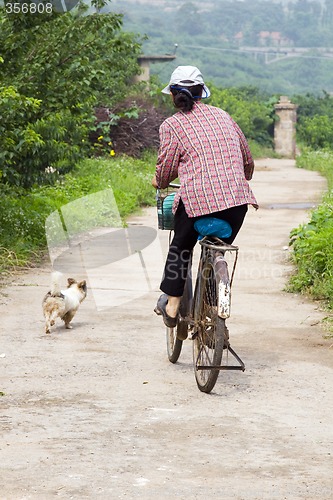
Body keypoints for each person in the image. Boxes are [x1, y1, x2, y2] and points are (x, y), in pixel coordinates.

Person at [152, 65, 258, 328]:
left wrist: (159, 181)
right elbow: (247, 161)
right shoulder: (224, 116)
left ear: (173, 95)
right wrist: (237, 177)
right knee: (217, 248)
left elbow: (165, 171)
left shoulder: (172, 125)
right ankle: (211, 307)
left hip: (197, 202)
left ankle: (173, 306)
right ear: (202, 93)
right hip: (236, 202)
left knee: (180, 249)